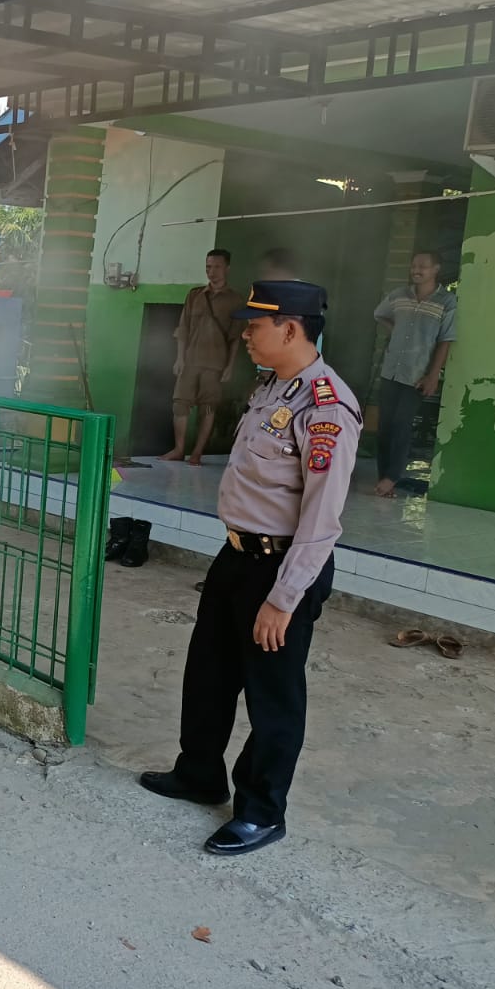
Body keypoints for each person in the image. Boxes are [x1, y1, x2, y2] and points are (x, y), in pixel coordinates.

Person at [139, 280, 361, 856]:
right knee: (208, 672)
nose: (245, 334)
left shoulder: (327, 408)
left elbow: (321, 521)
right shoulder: (272, 387)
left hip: (282, 567)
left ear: (290, 328)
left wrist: (283, 598)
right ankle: (199, 774)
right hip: (237, 555)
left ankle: (262, 810)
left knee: (273, 696)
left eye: (255, 325)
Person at [371, 250, 456, 498]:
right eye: (414, 266)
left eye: (423, 266)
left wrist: (433, 375)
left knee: (401, 425)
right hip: (391, 371)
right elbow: (380, 314)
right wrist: (395, 331)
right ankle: (383, 478)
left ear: (436, 269)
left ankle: (392, 476)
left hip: (417, 374)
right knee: (385, 425)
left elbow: (446, 340)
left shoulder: (446, 302)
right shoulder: (398, 296)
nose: (417, 270)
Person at [161, 249, 241, 466]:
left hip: (215, 364)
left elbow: (235, 338)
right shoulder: (194, 295)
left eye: (216, 267)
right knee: (180, 404)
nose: (211, 272)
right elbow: (183, 329)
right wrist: (179, 358)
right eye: (208, 267)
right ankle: (179, 449)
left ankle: (197, 453)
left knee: (208, 407)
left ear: (227, 268)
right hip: (190, 361)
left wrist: (230, 366)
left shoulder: (235, 300)